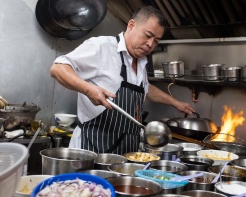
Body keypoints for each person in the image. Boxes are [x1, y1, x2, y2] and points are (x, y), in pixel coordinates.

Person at [50, 6, 195, 154]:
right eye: (147, 35)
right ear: (131, 25)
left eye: (156, 41)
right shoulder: (102, 47)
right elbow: (58, 68)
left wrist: (176, 103)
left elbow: (145, 88)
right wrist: (88, 90)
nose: (150, 44)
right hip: (92, 148)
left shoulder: (141, 61)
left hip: (127, 154)